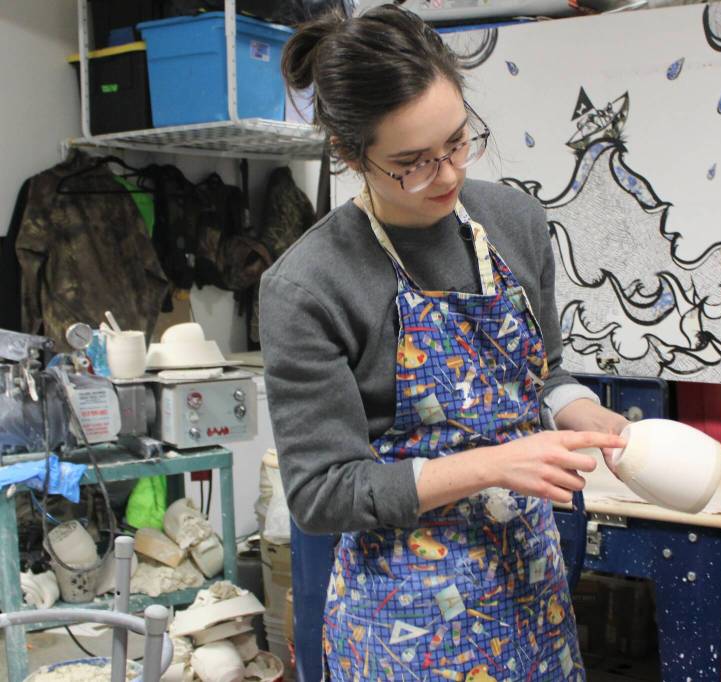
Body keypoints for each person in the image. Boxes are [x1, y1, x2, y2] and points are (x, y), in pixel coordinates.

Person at [260, 6, 629, 679]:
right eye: (412, 163)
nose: (448, 174)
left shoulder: (514, 222)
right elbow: (320, 494)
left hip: (529, 594)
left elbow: (540, 375)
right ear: (348, 153)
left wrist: (579, 408)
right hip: (403, 623)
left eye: (458, 142)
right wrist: (492, 465)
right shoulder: (310, 285)